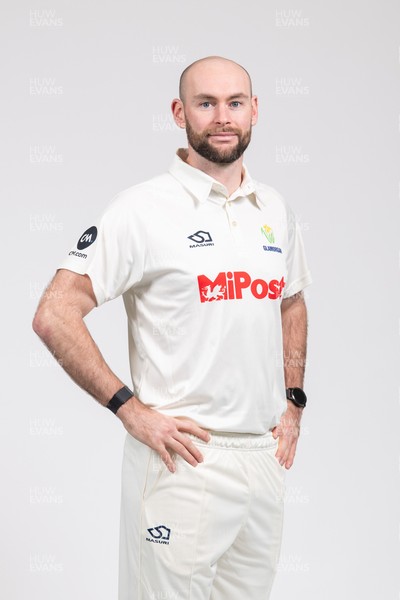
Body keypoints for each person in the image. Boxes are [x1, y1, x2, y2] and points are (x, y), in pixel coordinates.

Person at [33, 56, 312, 600]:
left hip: (261, 461)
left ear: (255, 110)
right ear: (179, 113)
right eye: (206, 104)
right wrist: (130, 411)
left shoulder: (274, 209)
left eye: (235, 103)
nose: (223, 117)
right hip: (182, 463)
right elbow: (54, 312)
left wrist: (294, 400)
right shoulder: (142, 210)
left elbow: (292, 302)